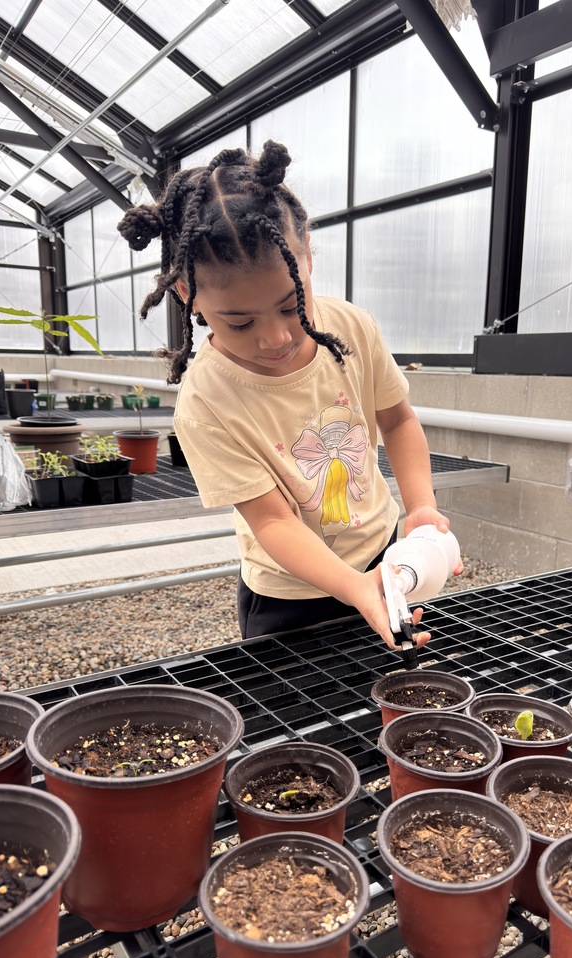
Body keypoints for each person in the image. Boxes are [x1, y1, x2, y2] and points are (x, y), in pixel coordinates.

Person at [117, 140, 462, 650]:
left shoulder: (351, 326)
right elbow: (274, 519)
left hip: (384, 556)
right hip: (289, 597)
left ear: (307, 257)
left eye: (289, 305)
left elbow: (399, 421)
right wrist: (354, 589)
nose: (275, 337)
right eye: (239, 322)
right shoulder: (206, 400)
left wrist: (422, 508)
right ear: (187, 294)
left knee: (386, 697)